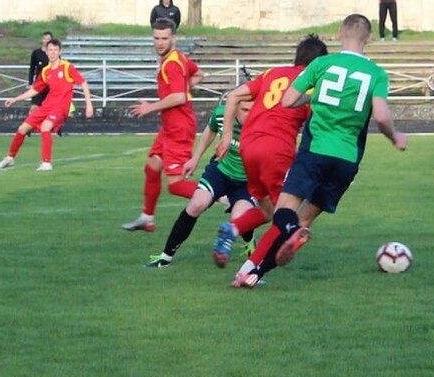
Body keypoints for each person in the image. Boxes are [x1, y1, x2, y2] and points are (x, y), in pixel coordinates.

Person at [233, 14, 407, 288]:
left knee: (284, 213)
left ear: (339, 33)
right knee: (305, 219)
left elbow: (289, 101)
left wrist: (314, 96)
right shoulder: (377, 74)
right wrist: (395, 137)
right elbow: (383, 117)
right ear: (369, 39)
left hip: (315, 151)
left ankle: (290, 232)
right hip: (347, 159)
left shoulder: (321, 64)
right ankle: (255, 275)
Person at [218, 33, 329, 266]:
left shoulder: (272, 73)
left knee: (266, 211)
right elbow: (318, 127)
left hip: (248, 146)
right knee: (285, 214)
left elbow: (233, 96)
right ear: (319, 64)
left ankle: (232, 228)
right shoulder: (310, 84)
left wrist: (227, 137)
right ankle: (250, 271)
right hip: (277, 149)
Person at [143, 99, 268, 269]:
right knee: (196, 204)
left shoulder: (264, 122)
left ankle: (250, 247)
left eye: (253, 110)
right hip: (220, 171)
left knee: (239, 219)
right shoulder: (221, 114)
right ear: (235, 107)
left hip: (247, 180)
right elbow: (211, 129)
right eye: (245, 110)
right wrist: (196, 158)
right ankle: (165, 257)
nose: (249, 115)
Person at [120, 23, 201, 233]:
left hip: (178, 128)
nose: (160, 43)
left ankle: (223, 194)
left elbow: (179, 97)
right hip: (169, 127)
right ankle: (147, 217)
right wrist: (185, 86)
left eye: (165, 38)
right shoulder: (178, 58)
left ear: (174, 38)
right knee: (152, 167)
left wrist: (150, 107)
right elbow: (199, 74)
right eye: (156, 38)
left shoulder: (172, 64)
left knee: (175, 185)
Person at [0, 37, 93, 170]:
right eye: (50, 50)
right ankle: (10, 158)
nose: (52, 53)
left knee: (45, 127)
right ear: (46, 52)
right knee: (22, 128)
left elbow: (83, 83)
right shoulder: (46, 71)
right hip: (47, 105)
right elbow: (35, 90)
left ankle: (46, 163)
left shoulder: (67, 67)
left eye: (55, 50)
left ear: (59, 52)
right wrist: (15, 99)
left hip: (61, 107)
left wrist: (89, 105)